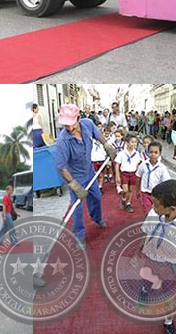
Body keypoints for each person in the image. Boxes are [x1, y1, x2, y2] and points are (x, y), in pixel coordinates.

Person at [53, 104, 117, 249]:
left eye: (71, 124)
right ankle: (79, 236)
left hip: (89, 171)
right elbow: (61, 167)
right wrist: (75, 185)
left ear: (79, 118)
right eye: (65, 125)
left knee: (96, 197)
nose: (68, 128)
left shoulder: (87, 124)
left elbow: (98, 134)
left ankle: (97, 218)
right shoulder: (63, 141)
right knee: (77, 208)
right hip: (74, 176)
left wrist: (106, 145)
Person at [138, 180, 176, 334]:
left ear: (171, 208)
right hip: (151, 257)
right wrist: (139, 250)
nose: (153, 207)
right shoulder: (153, 213)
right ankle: (145, 288)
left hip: (171, 264)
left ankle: (168, 321)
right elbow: (146, 231)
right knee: (146, 276)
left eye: (157, 205)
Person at [136, 140, 170, 212]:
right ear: (148, 152)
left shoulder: (162, 168)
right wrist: (137, 190)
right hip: (145, 193)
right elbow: (138, 176)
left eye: (156, 152)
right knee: (148, 210)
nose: (153, 154)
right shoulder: (143, 165)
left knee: (156, 211)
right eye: (151, 152)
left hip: (157, 195)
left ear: (160, 153)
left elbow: (166, 182)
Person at [114, 132, 141, 213]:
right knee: (125, 190)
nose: (134, 144)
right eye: (132, 142)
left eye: (135, 142)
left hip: (133, 173)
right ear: (126, 143)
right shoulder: (122, 153)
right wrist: (117, 176)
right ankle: (123, 199)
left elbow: (138, 164)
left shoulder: (136, 153)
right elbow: (117, 164)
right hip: (124, 173)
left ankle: (128, 203)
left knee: (130, 190)